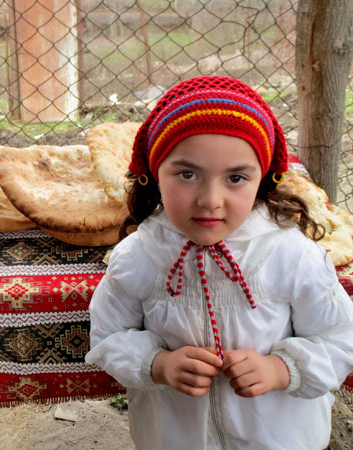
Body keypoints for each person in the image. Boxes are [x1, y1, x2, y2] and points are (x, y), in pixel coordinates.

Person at [85, 75, 353, 449]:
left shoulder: (292, 256)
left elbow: (340, 338)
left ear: (262, 179)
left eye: (236, 177)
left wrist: (280, 369)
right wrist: (158, 365)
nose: (210, 200)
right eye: (187, 174)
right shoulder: (138, 257)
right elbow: (108, 336)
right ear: (155, 174)